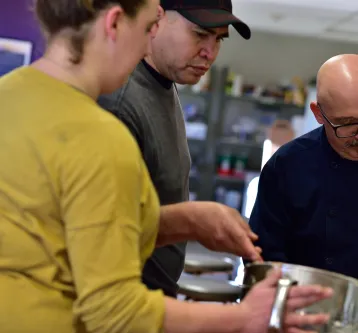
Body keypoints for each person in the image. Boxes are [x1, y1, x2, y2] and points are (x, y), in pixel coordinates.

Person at [0, 0, 333, 332]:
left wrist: (185, 221)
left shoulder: (9, 92)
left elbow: (61, 223)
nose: (148, 42)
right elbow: (114, 311)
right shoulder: (100, 133)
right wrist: (245, 317)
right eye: (147, 28)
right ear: (115, 23)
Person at [97, 0, 257, 298]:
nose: (210, 53)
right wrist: (193, 221)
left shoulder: (165, 87)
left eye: (218, 39)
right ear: (156, 20)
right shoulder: (120, 101)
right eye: (199, 34)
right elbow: (103, 232)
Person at [249, 54, 358, 279]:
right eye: (347, 124)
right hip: (303, 301)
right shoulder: (288, 166)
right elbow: (264, 255)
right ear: (319, 114)